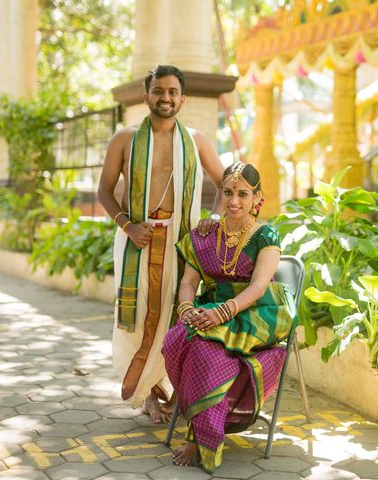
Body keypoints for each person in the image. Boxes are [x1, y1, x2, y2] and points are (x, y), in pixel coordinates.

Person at [98, 65, 225, 423]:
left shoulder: (196, 140)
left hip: (180, 244)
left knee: (173, 315)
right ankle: (148, 394)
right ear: (146, 96)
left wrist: (212, 222)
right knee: (136, 317)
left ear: (182, 98)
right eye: (158, 91)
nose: (165, 98)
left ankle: (161, 387)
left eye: (172, 92)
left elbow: (225, 181)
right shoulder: (124, 139)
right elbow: (104, 192)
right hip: (137, 241)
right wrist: (128, 226)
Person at [162, 162, 297, 473]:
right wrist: (186, 310)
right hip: (210, 311)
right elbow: (187, 284)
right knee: (175, 340)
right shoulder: (205, 234)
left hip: (254, 312)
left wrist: (222, 312)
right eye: (228, 193)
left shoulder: (266, 234)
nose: (234, 201)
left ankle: (201, 439)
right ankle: (205, 421)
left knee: (205, 351)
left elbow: (260, 286)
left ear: (257, 198)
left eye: (243, 194)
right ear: (220, 194)